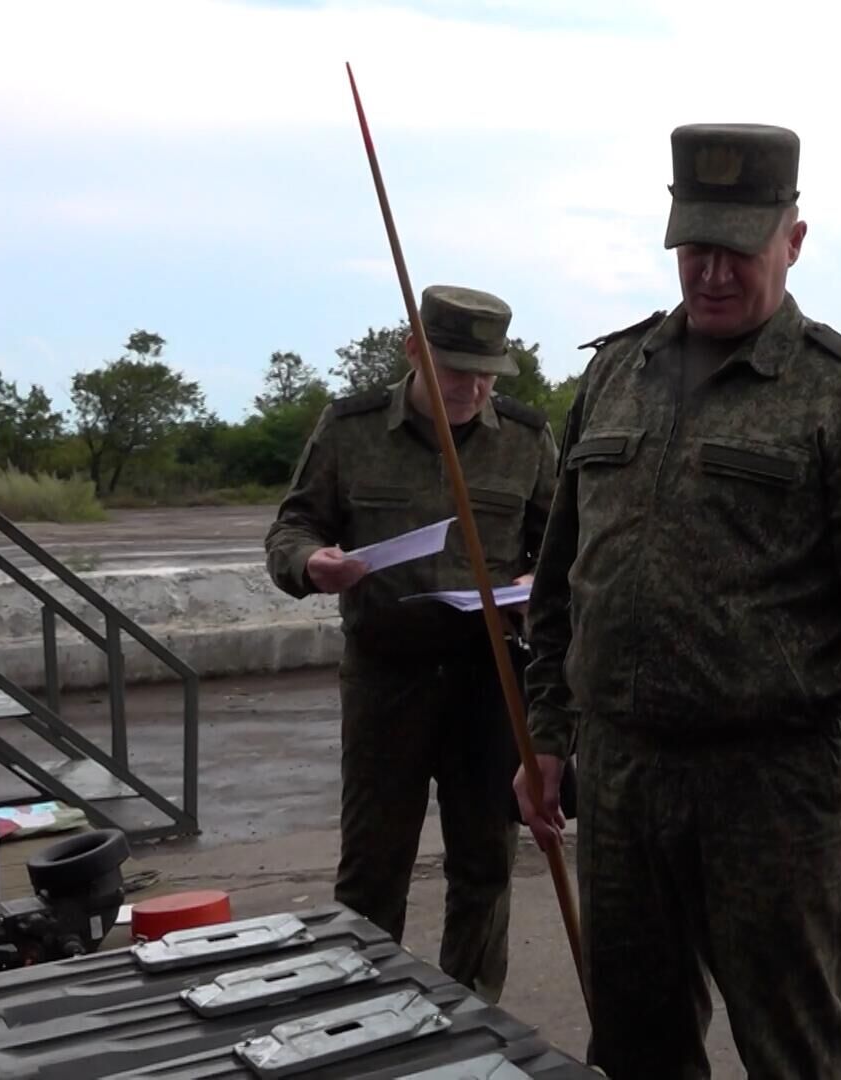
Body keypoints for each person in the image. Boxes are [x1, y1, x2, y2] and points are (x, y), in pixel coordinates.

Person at [513, 122, 841, 1078]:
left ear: (792, 241)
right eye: (694, 248)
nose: (711, 273)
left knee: (787, 1045)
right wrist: (545, 733)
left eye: (738, 250)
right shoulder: (613, 375)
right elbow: (559, 587)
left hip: (770, 788)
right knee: (633, 1042)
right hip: (622, 779)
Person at [264, 284, 559, 1004]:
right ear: (413, 352)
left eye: (488, 370)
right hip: (386, 677)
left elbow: (559, 545)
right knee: (372, 868)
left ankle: (469, 1016)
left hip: (487, 679)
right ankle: (357, 1017)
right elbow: (290, 528)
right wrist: (311, 564)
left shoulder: (526, 438)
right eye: (456, 367)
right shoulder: (351, 428)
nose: (474, 385)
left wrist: (534, 579)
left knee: (486, 863)